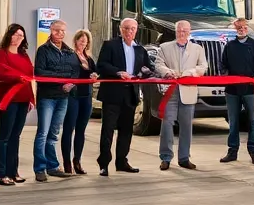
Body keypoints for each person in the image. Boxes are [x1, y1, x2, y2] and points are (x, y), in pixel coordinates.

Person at [96, 18, 150, 176]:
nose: (129, 31)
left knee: (126, 130)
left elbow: (147, 68)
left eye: (133, 29)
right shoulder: (110, 45)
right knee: (108, 130)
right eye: (126, 28)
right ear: (120, 29)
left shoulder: (140, 49)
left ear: (136, 30)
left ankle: (122, 161)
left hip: (130, 94)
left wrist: (145, 73)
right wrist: (118, 72)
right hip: (112, 94)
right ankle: (104, 163)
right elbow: (102, 65)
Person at [153, 20, 208, 170]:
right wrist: (168, 72)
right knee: (167, 124)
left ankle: (184, 158)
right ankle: (165, 157)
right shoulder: (164, 47)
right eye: (179, 31)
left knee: (186, 126)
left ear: (189, 32)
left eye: (185, 31)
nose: (182, 33)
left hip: (188, 90)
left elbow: (203, 66)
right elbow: (158, 64)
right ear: (175, 31)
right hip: (170, 91)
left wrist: (190, 73)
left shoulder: (197, 49)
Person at [33, 19, 76, 182]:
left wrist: (69, 84)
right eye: (57, 30)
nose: (60, 34)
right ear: (51, 31)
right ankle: (39, 168)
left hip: (63, 98)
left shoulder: (69, 52)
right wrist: (62, 78)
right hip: (47, 97)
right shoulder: (43, 50)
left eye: (63, 31)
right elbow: (40, 72)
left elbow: (74, 72)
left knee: (53, 134)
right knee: (43, 133)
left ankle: (52, 166)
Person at [219, 17, 254, 164]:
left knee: (252, 121)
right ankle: (232, 151)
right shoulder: (229, 46)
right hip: (232, 90)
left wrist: (253, 77)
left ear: (247, 28)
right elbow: (223, 65)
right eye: (238, 27)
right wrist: (226, 75)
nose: (241, 29)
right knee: (233, 122)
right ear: (235, 28)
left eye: (244, 27)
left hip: (250, 89)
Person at [0, 23, 33, 185]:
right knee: (5, 136)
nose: (18, 38)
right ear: (9, 35)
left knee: (16, 136)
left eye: (21, 36)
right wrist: (17, 76)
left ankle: (12, 171)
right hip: (8, 100)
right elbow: (0, 73)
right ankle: (1, 173)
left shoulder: (24, 55)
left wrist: (31, 99)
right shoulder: (2, 54)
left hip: (23, 99)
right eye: (15, 34)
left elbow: (29, 77)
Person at [60, 29, 97, 174]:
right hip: (73, 96)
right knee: (69, 129)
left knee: (81, 130)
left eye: (85, 41)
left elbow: (94, 72)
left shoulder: (89, 58)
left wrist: (94, 75)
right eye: (81, 40)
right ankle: (67, 162)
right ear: (75, 40)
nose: (83, 42)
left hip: (86, 96)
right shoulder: (70, 56)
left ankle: (77, 160)